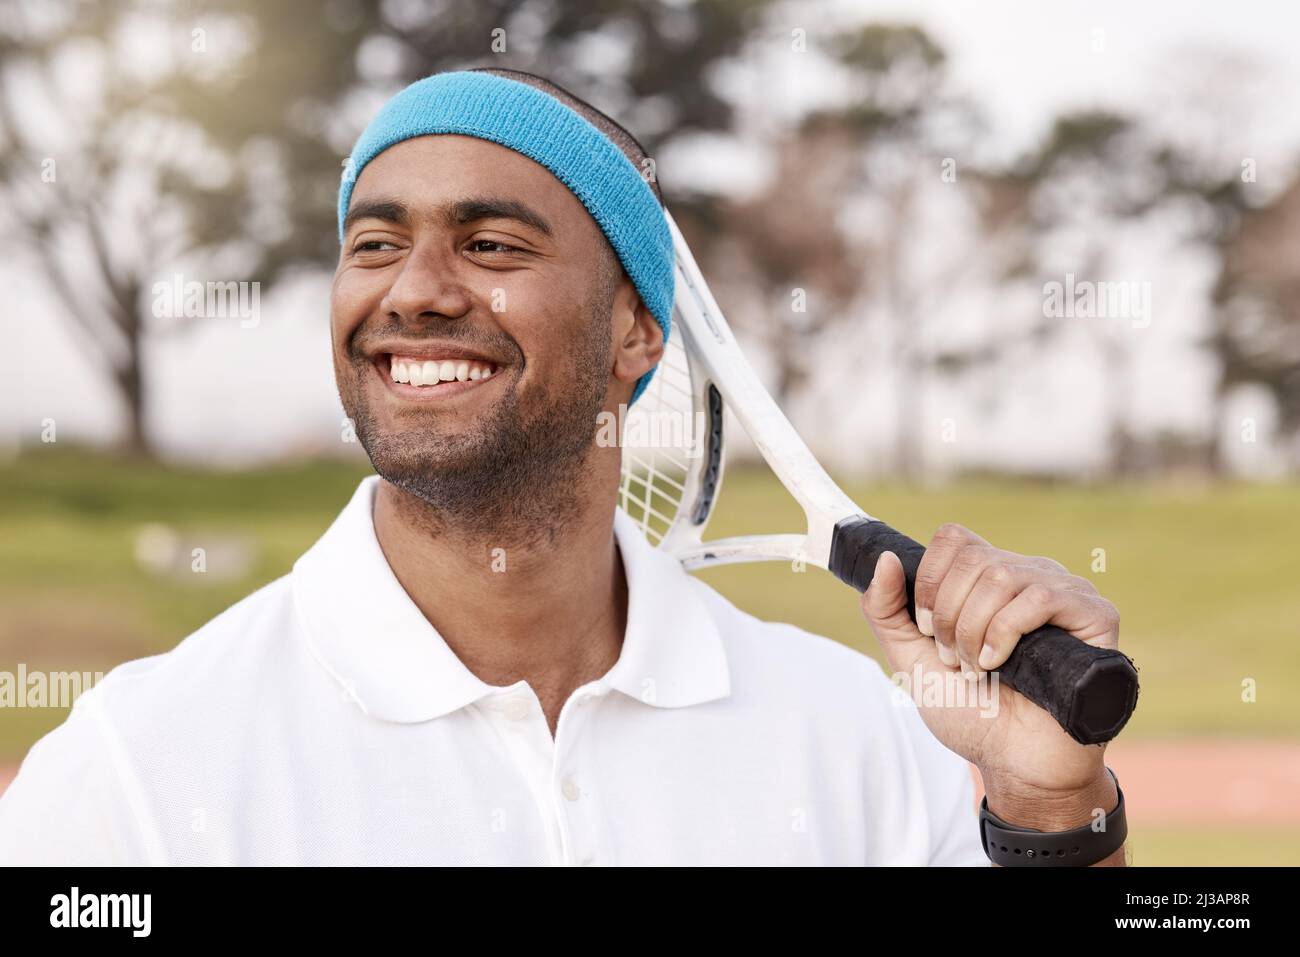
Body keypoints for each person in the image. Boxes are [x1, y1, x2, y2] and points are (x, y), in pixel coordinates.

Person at [0, 68, 1126, 866]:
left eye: (490, 245)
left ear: (637, 333)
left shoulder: (859, 738)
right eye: (374, 243)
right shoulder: (137, 767)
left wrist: (1045, 803)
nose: (416, 289)